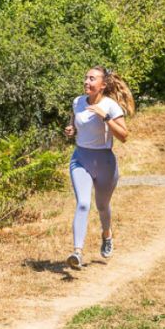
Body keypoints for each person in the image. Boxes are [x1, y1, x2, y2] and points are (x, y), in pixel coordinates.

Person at [63, 66, 135, 268]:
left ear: (102, 85)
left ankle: (107, 234)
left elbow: (124, 136)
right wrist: (71, 129)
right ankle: (77, 252)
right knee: (83, 203)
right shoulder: (77, 102)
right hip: (81, 158)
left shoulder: (110, 106)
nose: (87, 82)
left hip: (104, 161)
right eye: (86, 78)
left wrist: (105, 117)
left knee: (102, 206)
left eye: (92, 79)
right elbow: (75, 122)